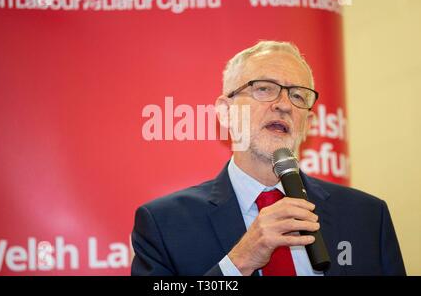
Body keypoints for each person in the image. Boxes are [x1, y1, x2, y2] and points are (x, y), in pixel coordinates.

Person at [131, 41, 406, 276]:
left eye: (298, 95)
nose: (284, 105)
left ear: (307, 122)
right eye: (263, 88)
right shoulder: (164, 224)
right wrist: (238, 262)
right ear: (226, 113)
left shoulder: (367, 216)